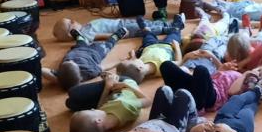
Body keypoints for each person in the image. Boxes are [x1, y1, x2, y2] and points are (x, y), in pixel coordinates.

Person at [69, 73, 150, 132]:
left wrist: (107, 88)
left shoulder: (107, 121)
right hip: (125, 83)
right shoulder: (125, 106)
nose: (93, 109)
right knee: (73, 93)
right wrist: (126, 85)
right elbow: (148, 101)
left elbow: (100, 107)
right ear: (98, 121)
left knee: (71, 102)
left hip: (115, 93)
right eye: (91, 111)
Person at [42, 27, 127, 90]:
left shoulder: (62, 76)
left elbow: (43, 71)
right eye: (72, 62)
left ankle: (80, 37)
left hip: (78, 49)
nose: (71, 60)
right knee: (107, 45)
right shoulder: (90, 72)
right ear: (80, 75)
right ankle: (116, 36)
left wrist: (57, 79)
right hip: (95, 53)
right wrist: (119, 62)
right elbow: (104, 67)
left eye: (67, 61)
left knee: (80, 42)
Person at [52, 15, 183, 43]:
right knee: (144, 28)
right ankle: (171, 28)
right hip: (121, 28)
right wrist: (120, 35)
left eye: (71, 19)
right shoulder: (85, 34)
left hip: (120, 22)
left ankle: (169, 23)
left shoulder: (86, 26)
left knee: (146, 22)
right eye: (71, 23)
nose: (74, 20)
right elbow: (101, 36)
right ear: (71, 34)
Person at [115, 29, 183, 83]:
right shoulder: (163, 68)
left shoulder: (140, 63)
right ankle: (176, 25)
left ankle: (149, 30)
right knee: (175, 32)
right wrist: (177, 47)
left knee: (147, 34)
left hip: (149, 45)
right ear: (140, 68)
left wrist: (133, 56)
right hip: (168, 45)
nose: (131, 59)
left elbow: (134, 61)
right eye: (130, 60)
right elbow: (179, 62)